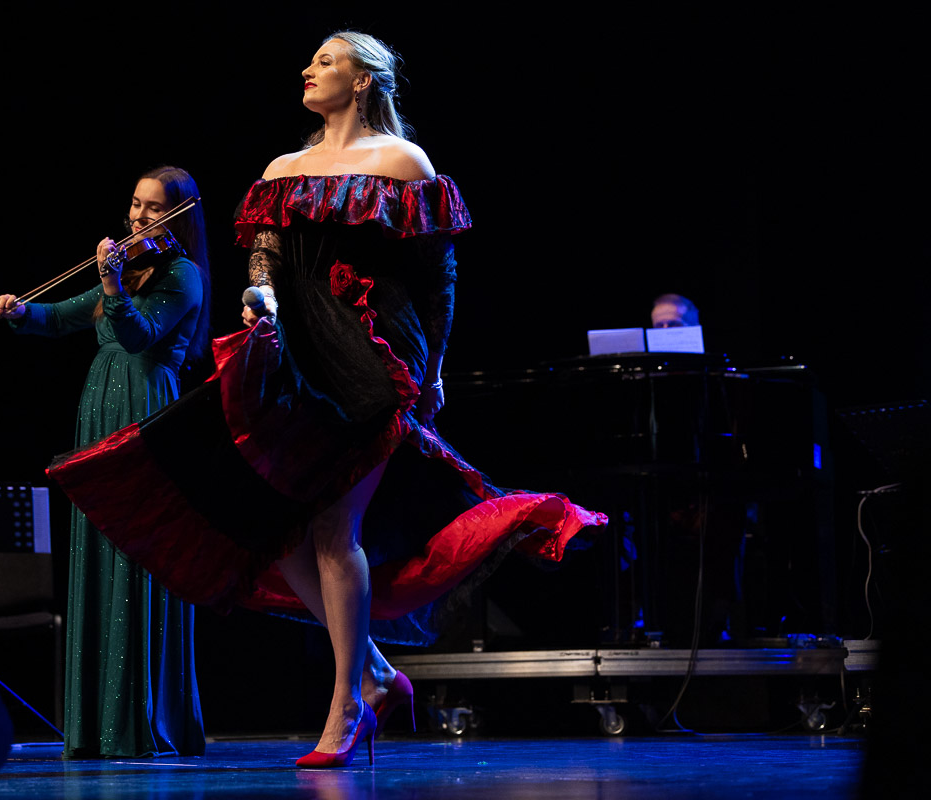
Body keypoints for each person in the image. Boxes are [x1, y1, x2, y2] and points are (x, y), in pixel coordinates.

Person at [49, 33, 606, 768]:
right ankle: (372, 671)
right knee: (283, 535)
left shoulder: (402, 163)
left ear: (363, 81)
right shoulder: (284, 168)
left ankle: (347, 705)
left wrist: (434, 370)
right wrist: (260, 295)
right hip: (300, 354)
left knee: (335, 529)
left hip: (376, 354)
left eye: (325, 61)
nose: (308, 70)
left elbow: (438, 279)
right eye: (311, 62)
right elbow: (265, 257)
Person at [0, 166, 209, 758]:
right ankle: (98, 724)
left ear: (176, 216)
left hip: (145, 413)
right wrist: (19, 312)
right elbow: (61, 316)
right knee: (101, 551)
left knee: (138, 555)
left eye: (153, 208)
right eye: (135, 204)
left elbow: (140, 337)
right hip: (100, 413)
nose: (138, 217)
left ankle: (138, 719)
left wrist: (112, 286)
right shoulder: (128, 268)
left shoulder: (182, 274)